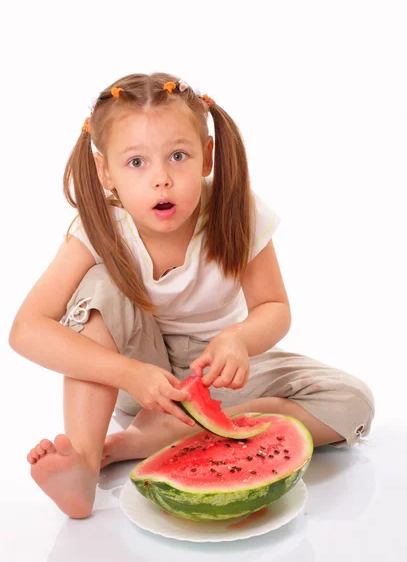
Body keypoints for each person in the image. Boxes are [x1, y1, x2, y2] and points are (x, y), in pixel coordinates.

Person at [9, 72, 375, 519]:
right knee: (100, 287)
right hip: (141, 379)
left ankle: (149, 439)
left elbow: (273, 308)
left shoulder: (236, 209)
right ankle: (84, 463)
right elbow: (26, 330)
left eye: (177, 156)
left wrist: (240, 338)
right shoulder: (100, 229)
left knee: (353, 401)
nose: (161, 179)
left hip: (221, 372)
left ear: (207, 156)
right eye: (136, 163)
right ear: (106, 171)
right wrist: (129, 374)